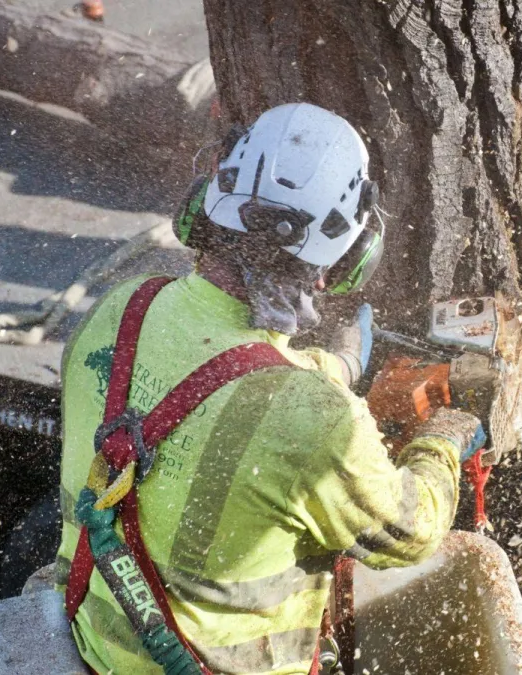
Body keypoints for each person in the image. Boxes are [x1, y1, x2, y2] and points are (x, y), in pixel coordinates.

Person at [54, 103, 485, 675]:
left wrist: (338, 368)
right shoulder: (319, 424)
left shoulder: (121, 309)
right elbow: (411, 533)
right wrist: (441, 439)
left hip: (96, 643)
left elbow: (208, 373)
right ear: (340, 266)